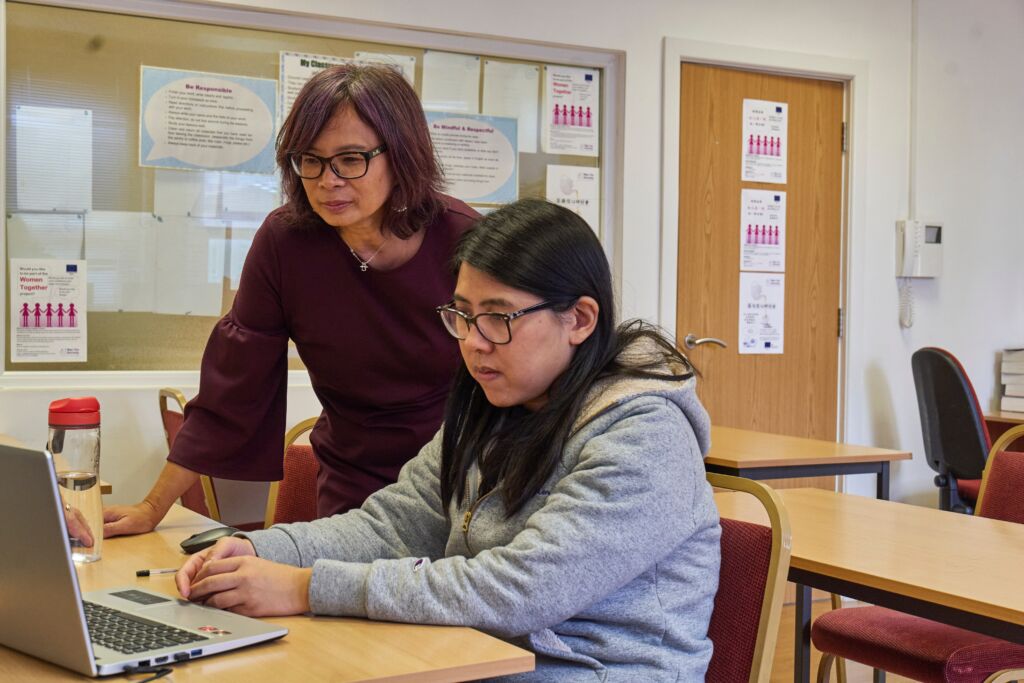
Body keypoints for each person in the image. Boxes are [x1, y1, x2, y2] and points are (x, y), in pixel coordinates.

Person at [176, 198, 722, 681]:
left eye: (498, 318)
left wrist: (303, 588)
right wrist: (255, 551)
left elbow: (519, 589)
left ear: (579, 319)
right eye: (462, 315)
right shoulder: (495, 405)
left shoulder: (645, 434)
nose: (474, 343)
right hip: (471, 656)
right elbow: (393, 524)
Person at [103, 64, 478, 537]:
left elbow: (520, 379)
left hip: (462, 477)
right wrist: (151, 508)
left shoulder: (466, 241)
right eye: (311, 160)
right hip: (353, 481)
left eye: (351, 159)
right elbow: (234, 387)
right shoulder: (287, 242)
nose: (328, 181)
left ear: (401, 155)